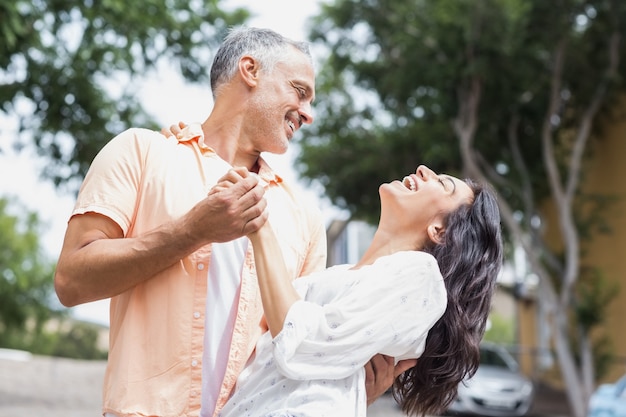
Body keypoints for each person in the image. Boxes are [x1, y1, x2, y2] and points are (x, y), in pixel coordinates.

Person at [53, 26, 399, 417]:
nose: (308, 114)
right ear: (249, 70)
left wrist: (349, 391)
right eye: (299, 91)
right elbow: (70, 281)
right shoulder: (141, 152)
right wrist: (193, 231)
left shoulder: (304, 218)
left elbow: (294, 355)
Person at [215, 164, 503, 417]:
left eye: (442, 184)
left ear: (440, 230)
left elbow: (302, 345)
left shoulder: (420, 277)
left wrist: (259, 227)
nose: (423, 170)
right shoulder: (337, 275)